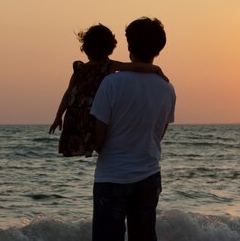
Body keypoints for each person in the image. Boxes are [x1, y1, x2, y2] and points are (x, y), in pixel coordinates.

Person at [90, 17, 176, 241]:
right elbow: (159, 133)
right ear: (158, 49)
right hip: (148, 174)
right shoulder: (166, 88)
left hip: (112, 176)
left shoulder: (111, 83)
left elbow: (98, 138)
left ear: (129, 46)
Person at [48, 23, 168, 157]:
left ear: (86, 48)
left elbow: (68, 93)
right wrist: (156, 69)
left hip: (77, 113)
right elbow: (134, 67)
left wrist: (59, 116)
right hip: (92, 112)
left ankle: (88, 148)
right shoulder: (108, 66)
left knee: (83, 134)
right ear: (110, 48)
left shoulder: (80, 69)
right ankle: (91, 148)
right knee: (94, 131)